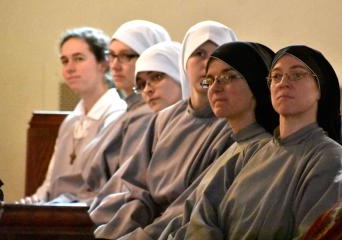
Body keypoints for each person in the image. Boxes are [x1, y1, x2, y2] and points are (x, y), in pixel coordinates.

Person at [89, 20, 237, 240]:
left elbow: (197, 203)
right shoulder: (165, 119)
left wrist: (144, 236)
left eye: (218, 55)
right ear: (185, 62)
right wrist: (122, 232)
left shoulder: (233, 124)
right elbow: (139, 191)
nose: (209, 64)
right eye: (199, 53)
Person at [185, 45, 342, 239]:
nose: (283, 83)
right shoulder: (257, 152)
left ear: (320, 87)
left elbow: (314, 233)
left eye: (297, 75)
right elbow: (206, 216)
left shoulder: (330, 158)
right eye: (276, 76)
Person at [139, 41, 278, 240]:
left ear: (256, 81)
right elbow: (188, 216)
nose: (215, 88)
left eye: (228, 77)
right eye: (210, 80)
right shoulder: (236, 148)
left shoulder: (263, 152)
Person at [45, 24, 175, 204]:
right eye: (111, 55)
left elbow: (125, 187)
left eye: (127, 56)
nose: (114, 65)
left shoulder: (148, 116)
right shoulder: (126, 113)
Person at [18, 27, 127, 204]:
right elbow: (50, 183)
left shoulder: (117, 115)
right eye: (64, 61)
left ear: (104, 63)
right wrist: (34, 201)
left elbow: (108, 188)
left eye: (78, 59)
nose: (69, 68)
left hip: (86, 214)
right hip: (57, 209)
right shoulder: (70, 122)